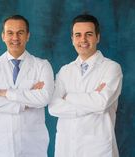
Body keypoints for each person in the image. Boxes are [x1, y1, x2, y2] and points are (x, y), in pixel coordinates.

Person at [48, 14, 123, 157]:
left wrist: (68, 97)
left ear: (97, 37)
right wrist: (91, 100)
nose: (83, 40)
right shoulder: (65, 71)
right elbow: (53, 107)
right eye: (78, 35)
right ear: (72, 39)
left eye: (89, 34)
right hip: (67, 148)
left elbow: (101, 103)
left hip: (98, 149)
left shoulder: (112, 68)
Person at [0, 15, 54, 157]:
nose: (15, 37)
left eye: (20, 33)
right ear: (3, 36)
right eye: (10, 33)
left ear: (28, 36)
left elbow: (44, 98)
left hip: (32, 143)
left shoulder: (42, 65)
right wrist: (25, 103)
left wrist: (7, 93)